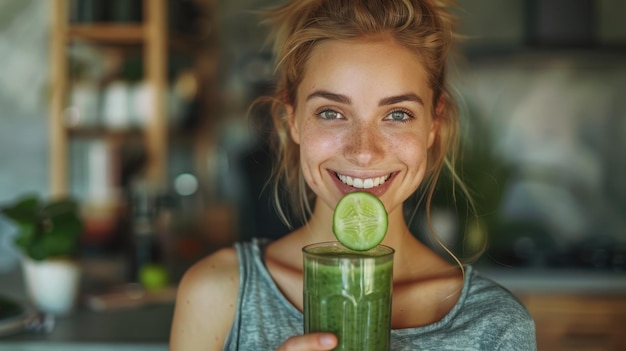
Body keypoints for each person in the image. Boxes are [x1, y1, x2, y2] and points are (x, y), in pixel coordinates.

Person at [169, 0, 537, 350]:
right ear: (292, 119)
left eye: (397, 114)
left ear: (433, 124)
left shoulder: (496, 324)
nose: (363, 151)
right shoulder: (217, 293)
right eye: (331, 112)